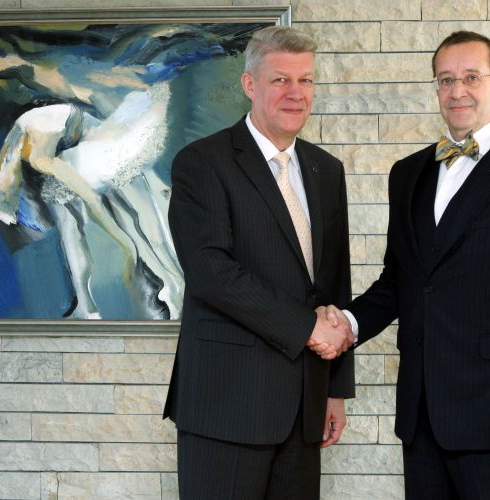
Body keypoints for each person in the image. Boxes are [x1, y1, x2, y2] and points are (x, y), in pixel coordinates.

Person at [324, 31, 490, 498]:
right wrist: (346, 323)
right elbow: (399, 282)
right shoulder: (407, 174)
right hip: (422, 421)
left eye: (471, 77)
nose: (457, 90)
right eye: (446, 80)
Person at [162, 26, 355, 499]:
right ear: (250, 85)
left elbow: (333, 284)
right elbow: (212, 274)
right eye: (280, 80)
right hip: (227, 406)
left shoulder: (326, 170)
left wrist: (335, 390)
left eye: (305, 80)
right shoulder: (202, 163)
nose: (296, 93)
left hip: (304, 408)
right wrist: (307, 328)